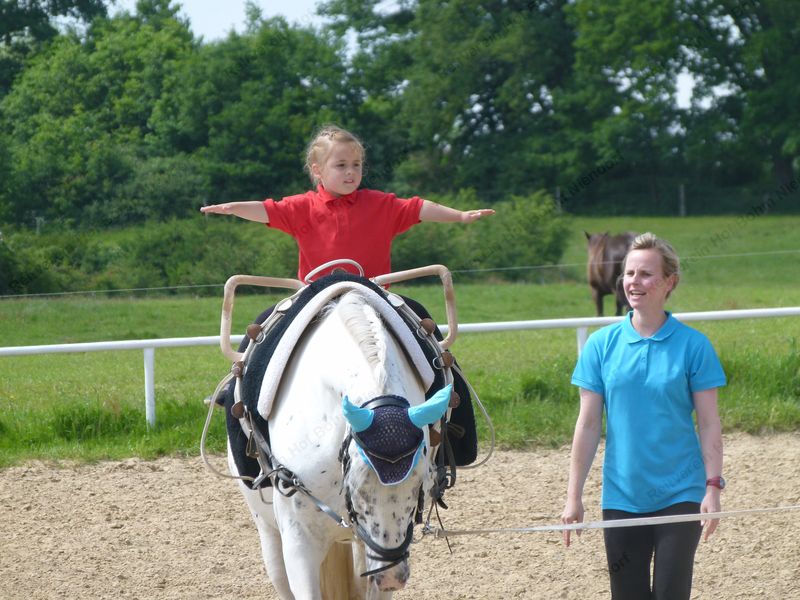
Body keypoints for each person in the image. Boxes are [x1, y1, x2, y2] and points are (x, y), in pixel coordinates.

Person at [201, 124, 494, 465]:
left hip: (374, 295)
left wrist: (460, 216)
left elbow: (418, 208)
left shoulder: (380, 204)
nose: (351, 172)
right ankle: (239, 394)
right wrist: (233, 208)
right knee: (262, 328)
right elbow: (266, 209)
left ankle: (455, 422)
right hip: (315, 297)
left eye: (356, 165)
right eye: (340, 165)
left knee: (429, 334)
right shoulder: (302, 207)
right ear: (318, 171)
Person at [560, 232, 726, 600]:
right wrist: (574, 496)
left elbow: (709, 423)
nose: (634, 282)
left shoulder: (694, 345)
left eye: (646, 274)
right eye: (630, 273)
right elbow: (588, 425)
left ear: (670, 282)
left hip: (682, 492)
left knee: (670, 592)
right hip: (621, 496)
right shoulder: (601, 345)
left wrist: (713, 487)